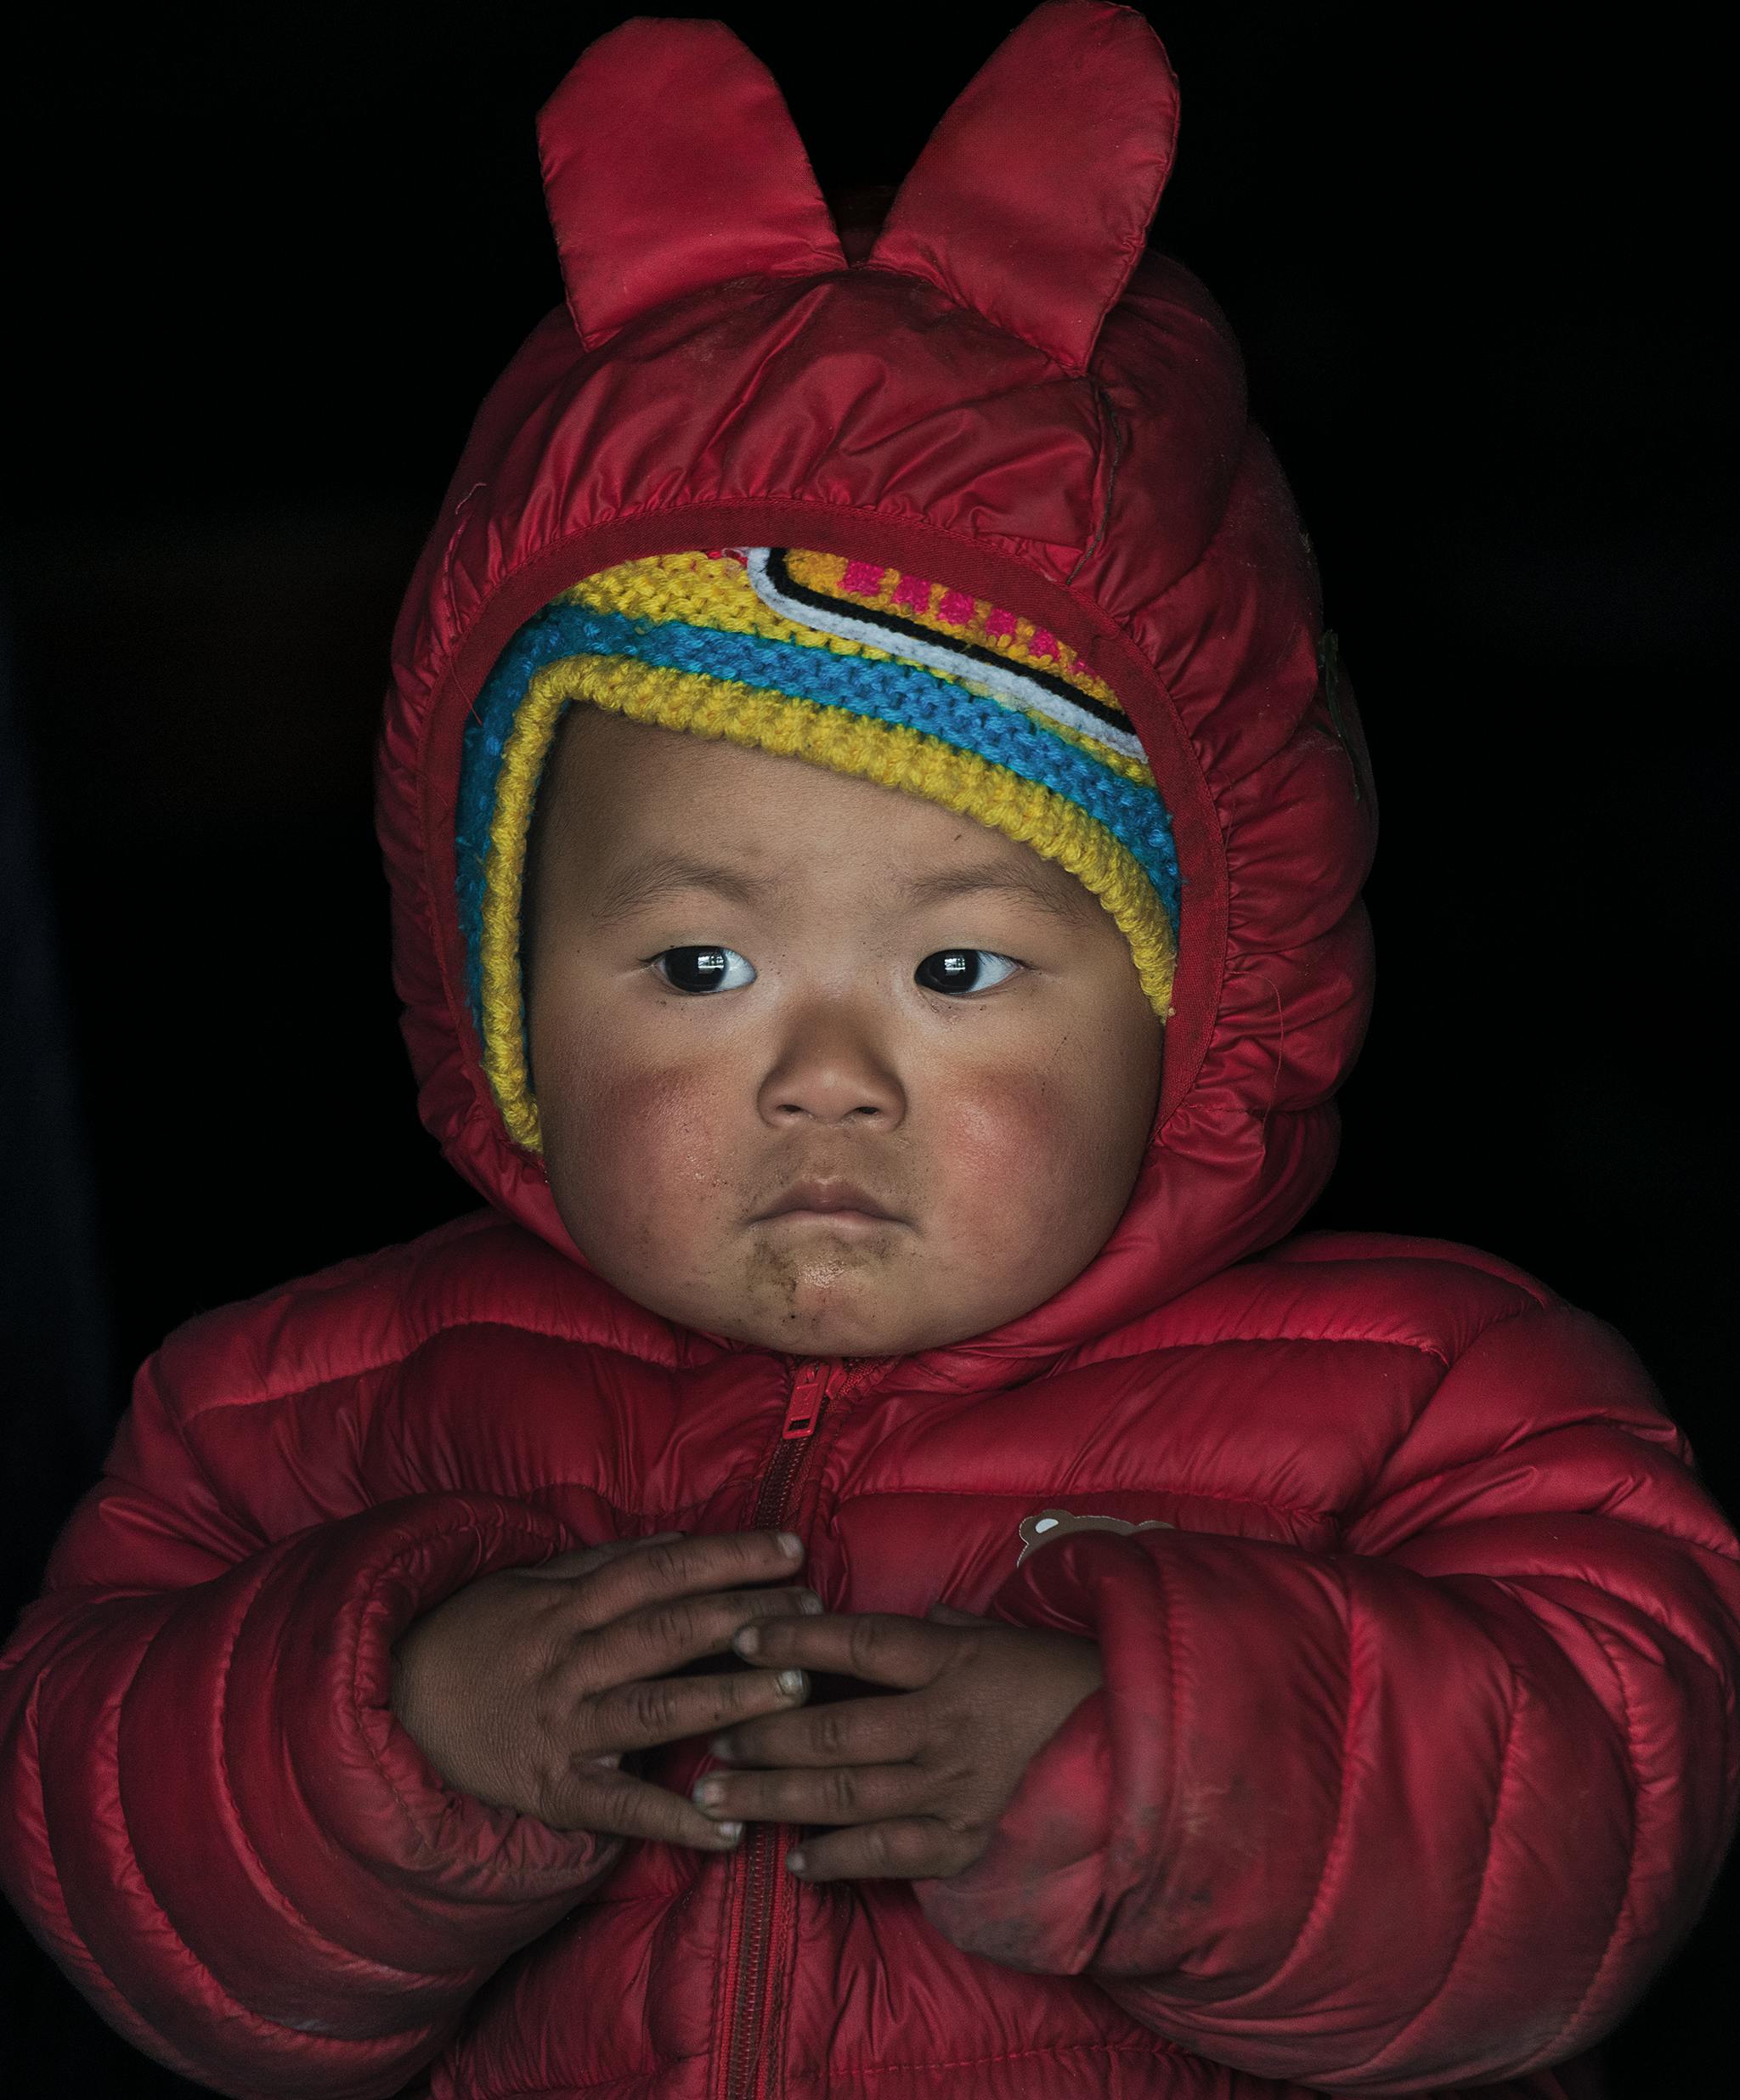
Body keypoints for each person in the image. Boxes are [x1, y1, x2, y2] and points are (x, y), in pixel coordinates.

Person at [3, 7, 1736, 2097]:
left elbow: (1583, 1864)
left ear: (1206, 996)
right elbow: (112, 1871)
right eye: (701, 970)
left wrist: (1153, 1771)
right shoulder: (291, 1421)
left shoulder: (1442, 1410)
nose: (827, 1078)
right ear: (495, 993)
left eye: (963, 975)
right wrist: (402, 1720)